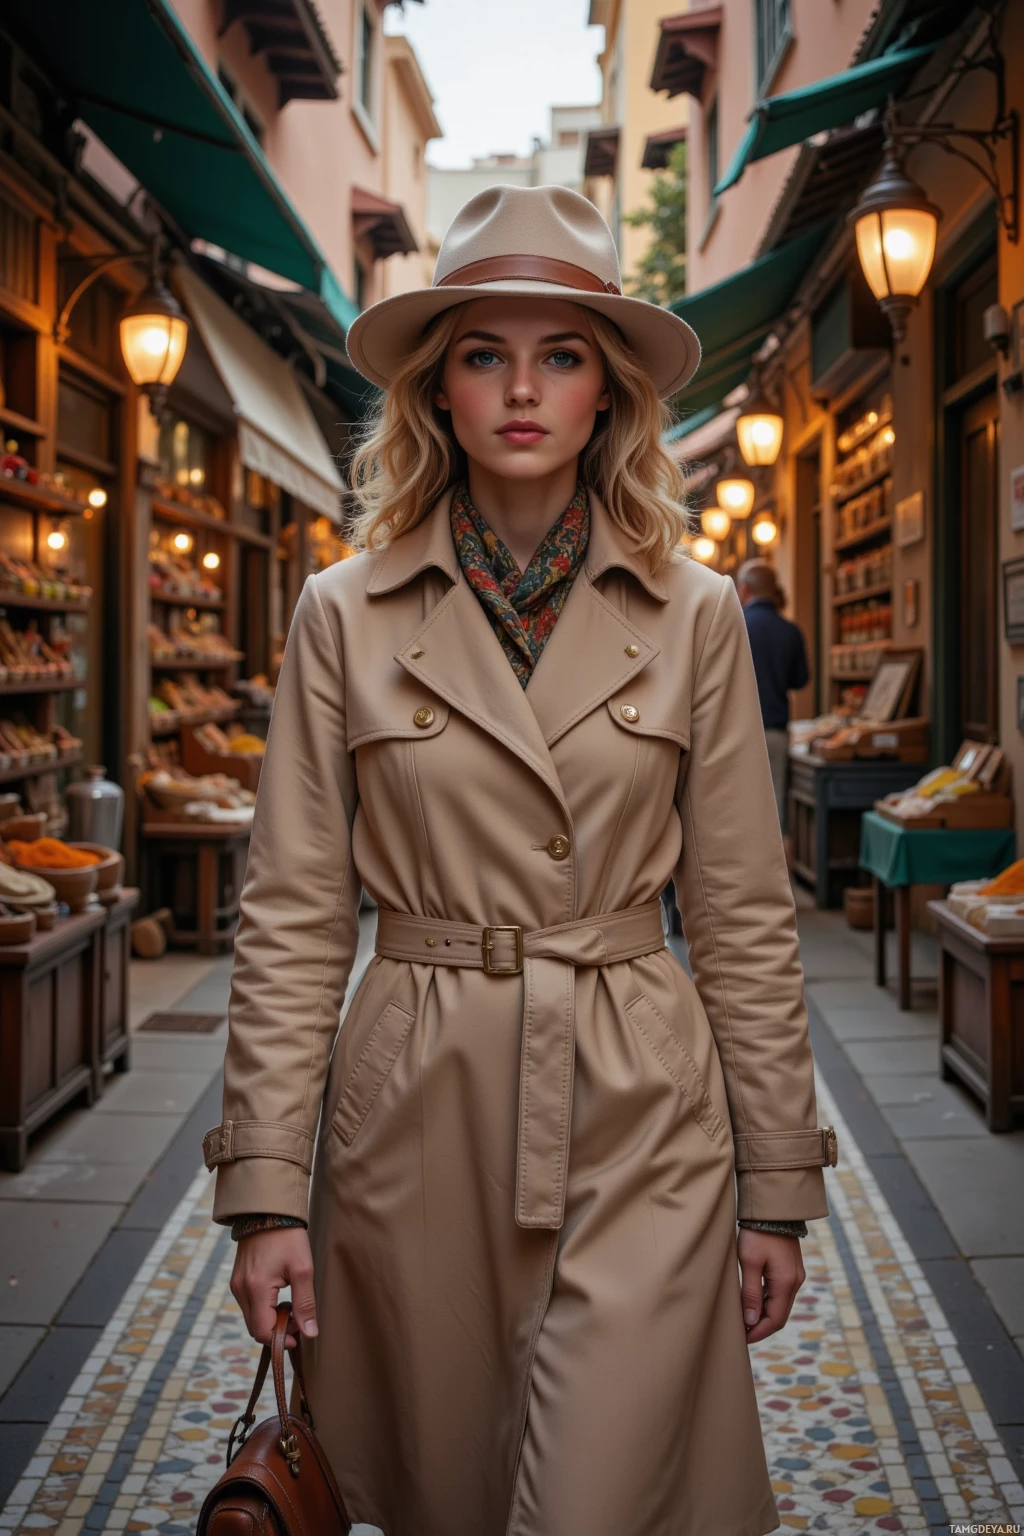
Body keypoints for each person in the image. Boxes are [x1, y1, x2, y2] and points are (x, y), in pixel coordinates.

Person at [203, 185, 839, 1536]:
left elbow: (737, 911)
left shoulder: (699, 613)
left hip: (639, 1104)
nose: (523, 390)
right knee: (450, 1492)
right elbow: (296, 914)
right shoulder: (342, 613)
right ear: (437, 392)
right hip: (417, 1101)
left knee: (594, 1499)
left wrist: (777, 1185)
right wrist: (265, 1188)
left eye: (561, 355)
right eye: (485, 354)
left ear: (611, 391)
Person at [737, 557, 810, 834]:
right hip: (776, 731)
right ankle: (773, 870)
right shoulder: (790, 630)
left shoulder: (736, 624)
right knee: (775, 801)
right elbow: (800, 680)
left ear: (744, 590)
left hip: (738, 730)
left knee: (738, 800)